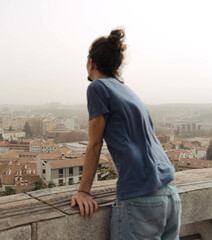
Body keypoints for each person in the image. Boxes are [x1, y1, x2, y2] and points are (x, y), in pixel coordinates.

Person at [70, 28, 182, 240]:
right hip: (169, 193)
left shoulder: (97, 88)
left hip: (141, 197)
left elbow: (95, 144)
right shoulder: (127, 90)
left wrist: (83, 191)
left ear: (91, 62)